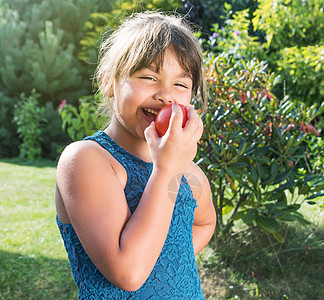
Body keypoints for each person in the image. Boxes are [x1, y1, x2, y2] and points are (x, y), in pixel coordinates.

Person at [55, 11, 216, 299]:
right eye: (148, 77)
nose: (166, 95)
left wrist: (164, 258)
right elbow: (128, 273)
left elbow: (205, 222)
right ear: (109, 82)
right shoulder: (87, 160)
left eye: (180, 84)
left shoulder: (189, 172)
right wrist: (166, 170)